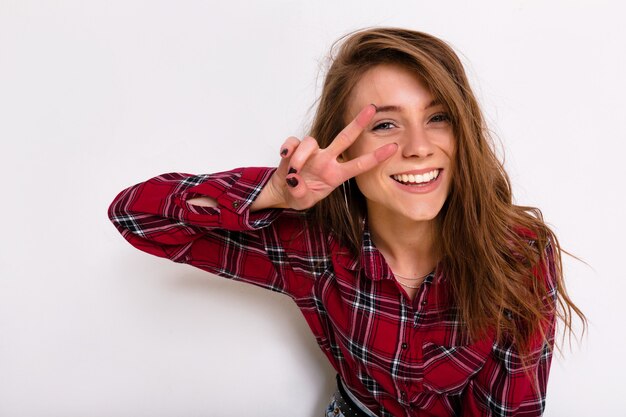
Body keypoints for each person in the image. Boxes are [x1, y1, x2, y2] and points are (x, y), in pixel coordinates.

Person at [108, 28, 585, 417]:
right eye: (385, 124)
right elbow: (135, 214)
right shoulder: (310, 246)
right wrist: (274, 193)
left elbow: (512, 410)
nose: (419, 146)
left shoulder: (520, 251)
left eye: (438, 117)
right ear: (344, 145)